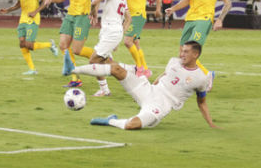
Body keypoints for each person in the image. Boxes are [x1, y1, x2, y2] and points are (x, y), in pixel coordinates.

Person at [73, 41, 219, 130]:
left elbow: (202, 102)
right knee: (117, 69)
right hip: (149, 90)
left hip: (162, 105)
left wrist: (211, 123)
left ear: (196, 55)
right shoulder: (174, 61)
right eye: (182, 51)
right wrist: (141, 92)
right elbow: (164, 76)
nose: (182, 54)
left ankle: (110, 120)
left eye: (186, 52)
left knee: (132, 125)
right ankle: (72, 69)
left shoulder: (201, 78)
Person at [165, 0, 231, 92]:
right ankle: (189, 80)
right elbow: (187, 0)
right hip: (190, 19)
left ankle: (206, 76)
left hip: (204, 19)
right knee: (182, 52)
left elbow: (228, 3)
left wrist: (220, 20)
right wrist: (173, 8)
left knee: (190, 50)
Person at [44, 0, 100, 87]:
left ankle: (101, 56)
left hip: (82, 16)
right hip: (70, 15)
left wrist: (94, 12)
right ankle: (76, 78)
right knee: (63, 45)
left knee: (77, 50)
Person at [0, 0, 59, 75]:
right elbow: (19, 4)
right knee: (22, 44)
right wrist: (8, 10)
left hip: (33, 19)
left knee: (29, 45)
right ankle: (32, 69)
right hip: (23, 19)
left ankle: (50, 45)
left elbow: (45, 1)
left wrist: (36, 11)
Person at [87, 0, 131, 97]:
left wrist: (92, 12)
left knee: (94, 61)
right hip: (111, 30)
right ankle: (131, 72)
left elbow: (95, 0)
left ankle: (105, 90)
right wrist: (120, 35)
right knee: (103, 60)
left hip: (111, 29)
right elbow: (128, 18)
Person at [122, 0, 161, 77]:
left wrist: (158, 9)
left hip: (138, 16)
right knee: (136, 43)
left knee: (127, 41)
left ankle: (139, 68)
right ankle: (145, 69)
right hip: (128, 15)